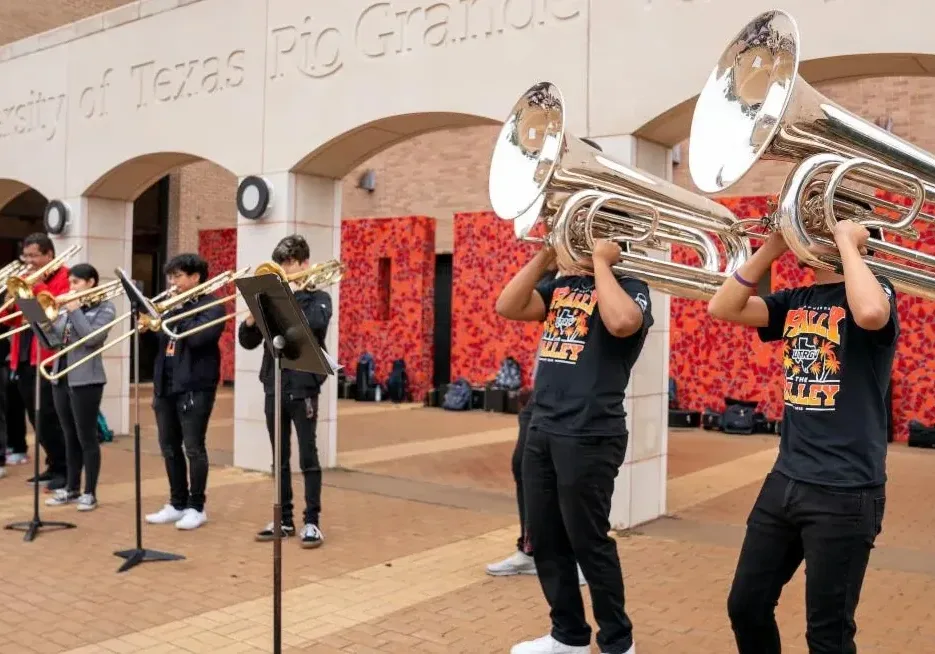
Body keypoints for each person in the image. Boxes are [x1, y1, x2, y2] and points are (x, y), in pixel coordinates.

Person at [706, 222, 897, 654]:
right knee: (746, 605)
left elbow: (869, 315)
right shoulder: (795, 302)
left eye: (814, 226)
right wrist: (772, 247)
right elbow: (723, 308)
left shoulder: (878, 290)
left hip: (846, 491)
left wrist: (847, 242)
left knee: (828, 634)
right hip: (786, 481)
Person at [497, 238, 652, 654]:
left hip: (590, 433)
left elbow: (621, 324)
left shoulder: (632, 285)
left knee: (589, 541)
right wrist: (546, 255)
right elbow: (508, 305)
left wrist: (602, 262)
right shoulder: (560, 287)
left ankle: (618, 641)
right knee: (545, 537)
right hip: (542, 426)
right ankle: (568, 636)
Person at [486, 266, 586, 588]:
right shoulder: (553, 281)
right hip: (542, 394)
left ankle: (577, 557)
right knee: (523, 467)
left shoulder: (602, 279)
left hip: (578, 399)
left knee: (571, 481)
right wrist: (547, 256)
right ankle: (530, 550)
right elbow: (512, 303)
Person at [238, 234, 332, 549]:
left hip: (304, 384)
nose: (286, 268)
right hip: (274, 383)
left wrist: (290, 298)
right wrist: (253, 314)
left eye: (291, 263)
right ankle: (285, 519)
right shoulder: (270, 301)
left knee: (308, 456)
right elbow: (247, 341)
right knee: (279, 457)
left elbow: (315, 325)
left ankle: (312, 522)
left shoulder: (318, 296)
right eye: (282, 264)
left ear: (305, 263)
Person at [145, 253, 225, 531]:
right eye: (171, 276)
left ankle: (196, 506)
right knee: (168, 447)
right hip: (166, 384)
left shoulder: (213, 306)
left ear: (195, 277)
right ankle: (177, 503)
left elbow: (199, 337)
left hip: (195, 386)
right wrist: (151, 322)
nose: (172, 282)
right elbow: (161, 336)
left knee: (193, 447)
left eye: (178, 276)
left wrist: (173, 313)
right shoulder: (173, 306)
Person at [44, 264, 116, 511]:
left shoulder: (106, 308)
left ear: (91, 282)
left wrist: (74, 310)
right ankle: (71, 488)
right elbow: (53, 342)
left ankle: (90, 492)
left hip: (87, 379)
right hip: (60, 376)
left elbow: (91, 339)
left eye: (76, 282)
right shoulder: (66, 311)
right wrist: (42, 321)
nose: (70, 288)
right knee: (69, 435)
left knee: (87, 437)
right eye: (70, 282)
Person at [2, 233, 70, 489]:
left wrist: (35, 287)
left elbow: (48, 318)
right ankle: (53, 465)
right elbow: (13, 321)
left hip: (47, 356)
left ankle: (64, 470)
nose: (29, 262)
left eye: (34, 256)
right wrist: (11, 303)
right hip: (23, 355)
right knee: (35, 416)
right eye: (26, 256)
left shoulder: (65, 277)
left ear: (49, 256)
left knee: (49, 417)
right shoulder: (27, 280)